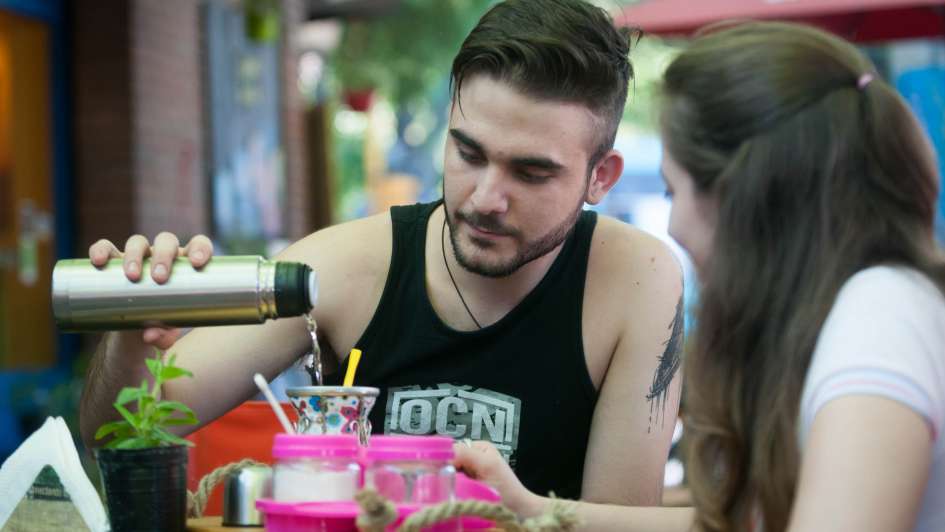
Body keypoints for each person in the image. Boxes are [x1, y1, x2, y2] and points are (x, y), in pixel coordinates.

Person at [78, 0, 685, 505]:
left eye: (530, 173)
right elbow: (123, 434)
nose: (485, 198)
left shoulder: (635, 280)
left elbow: (620, 522)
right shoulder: (345, 266)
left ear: (601, 177)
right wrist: (132, 331)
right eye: (468, 153)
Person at [454, 20, 945, 532]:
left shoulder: (880, 324)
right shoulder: (860, 309)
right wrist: (531, 511)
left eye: (673, 191)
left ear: (742, 197)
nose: (673, 226)